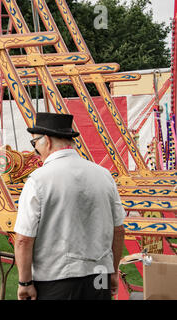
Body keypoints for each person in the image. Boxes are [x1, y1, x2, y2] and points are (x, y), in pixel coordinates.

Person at [14, 112, 125, 300]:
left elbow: (23, 239)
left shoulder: (38, 180)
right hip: (100, 275)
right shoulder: (104, 175)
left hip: (56, 279)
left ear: (46, 141)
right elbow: (119, 230)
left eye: (34, 144)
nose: (34, 150)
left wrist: (25, 283)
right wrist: (113, 272)